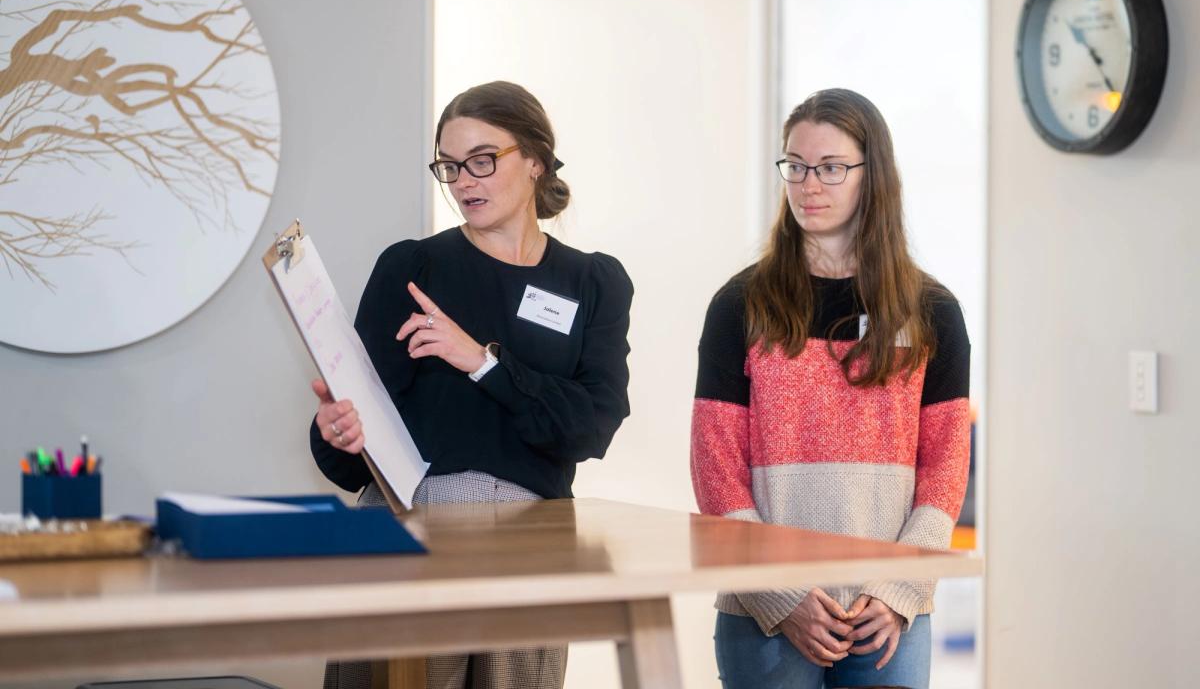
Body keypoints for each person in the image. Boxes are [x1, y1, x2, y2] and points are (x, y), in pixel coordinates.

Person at [311, 80, 634, 689]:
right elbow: (355, 454)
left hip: (533, 547)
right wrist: (337, 431)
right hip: (410, 533)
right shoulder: (412, 268)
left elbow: (591, 427)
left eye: (483, 161)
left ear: (536, 159)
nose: (464, 181)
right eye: (450, 166)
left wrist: (482, 362)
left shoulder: (592, 281)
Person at [691, 88, 971, 689]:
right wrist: (781, 595)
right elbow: (716, 467)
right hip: (765, 613)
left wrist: (898, 589)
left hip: (887, 617)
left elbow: (946, 465)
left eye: (831, 168)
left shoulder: (932, 310)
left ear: (875, 176)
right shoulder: (740, 304)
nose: (808, 184)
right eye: (795, 165)